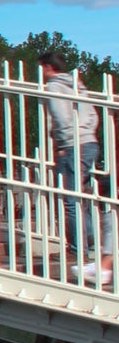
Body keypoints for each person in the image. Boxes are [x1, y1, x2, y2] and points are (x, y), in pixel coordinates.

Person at [40, 51, 114, 284]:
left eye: (41, 68)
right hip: (90, 142)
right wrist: (87, 132)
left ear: (48, 67)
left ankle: (77, 247)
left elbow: (61, 117)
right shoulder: (78, 85)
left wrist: (63, 142)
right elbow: (92, 116)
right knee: (82, 196)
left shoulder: (53, 87)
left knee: (71, 199)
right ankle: (92, 239)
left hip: (73, 145)